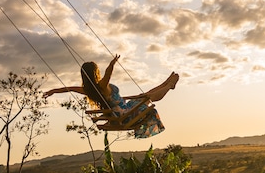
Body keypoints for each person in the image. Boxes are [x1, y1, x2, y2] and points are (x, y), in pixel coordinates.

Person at [44, 55, 179, 138]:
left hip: (120, 111)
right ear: (95, 73)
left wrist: (53, 91)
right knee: (148, 98)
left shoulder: (88, 90)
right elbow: (108, 74)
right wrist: (112, 63)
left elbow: (69, 89)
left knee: (144, 95)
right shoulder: (102, 85)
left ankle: (166, 83)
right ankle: (168, 86)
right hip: (124, 115)